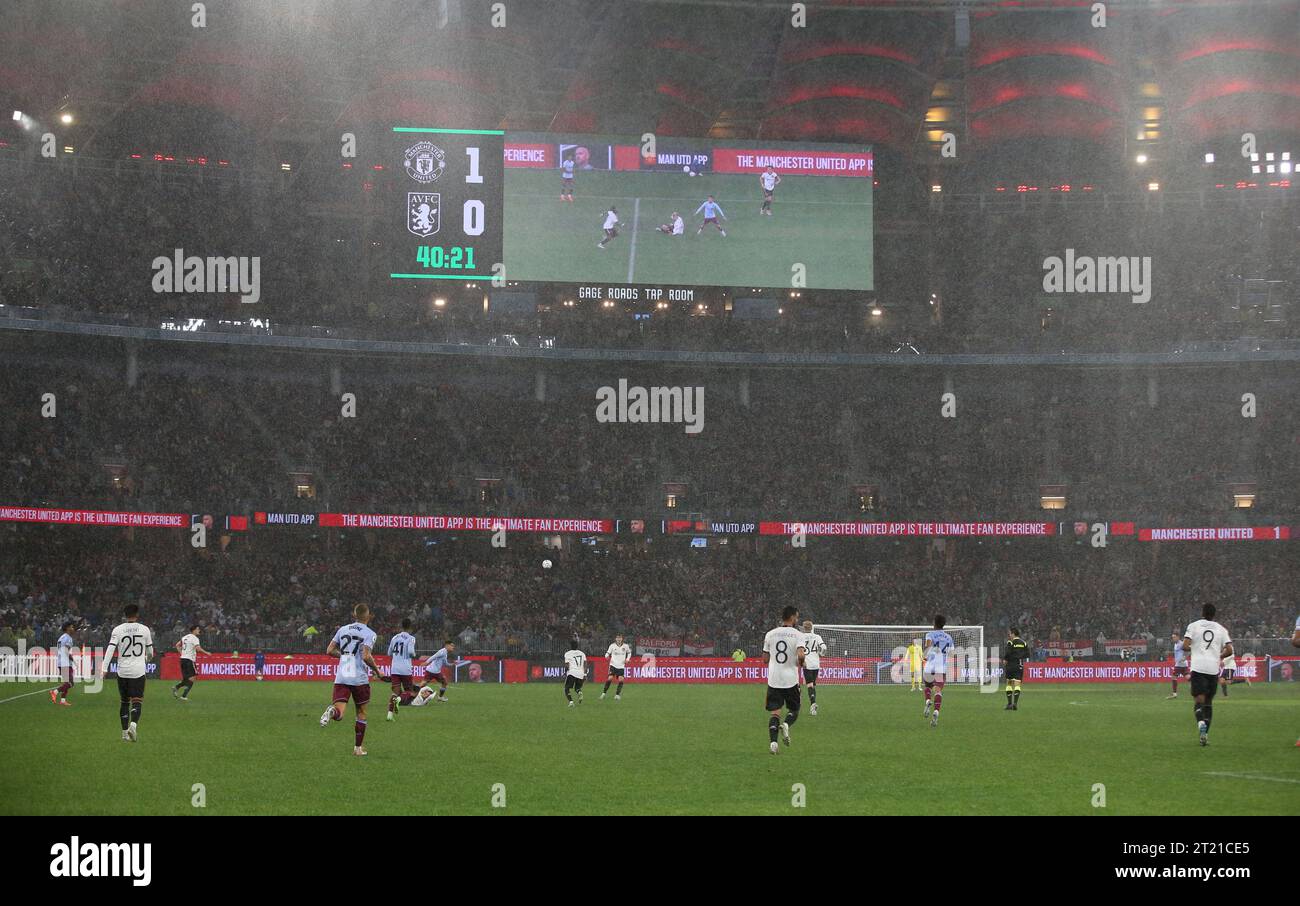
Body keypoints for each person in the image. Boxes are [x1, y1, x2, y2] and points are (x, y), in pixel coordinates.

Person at [319, 603, 387, 757]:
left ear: (354, 615)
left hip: (343, 675)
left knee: (340, 713)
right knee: (361, 713)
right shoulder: (370, 633)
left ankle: (332, 711)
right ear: (368, 616)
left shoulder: (342, 629)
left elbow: (329, 650)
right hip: (359, 679)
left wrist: (344, 655)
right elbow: (365, 656)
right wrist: (377, 670)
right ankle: (357, 748)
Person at [101, 604, 155, 743]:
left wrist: (104, 668)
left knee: (124, 702)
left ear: (125, 615)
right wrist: (146, 659)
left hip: (122, 671)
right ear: (137, 615)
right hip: (138, 670)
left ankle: (124, 733)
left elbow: (110, 649)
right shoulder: (144, 629)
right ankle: (133, 725)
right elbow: (150, 652)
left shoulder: (118, 630)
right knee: (137, 701)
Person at [1182, 603, 1231, 747]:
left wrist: (1196, 648)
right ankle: (1205, 735)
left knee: (1199, 700)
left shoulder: (1194, 626)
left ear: (1202, 612)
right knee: (1208, 702)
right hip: (1212, 669)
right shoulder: (1221, 629)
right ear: (1214, 614)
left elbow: (1185, 646)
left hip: (1198, 667)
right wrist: (1218, 655)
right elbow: (1229, 649)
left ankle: (1201, 723)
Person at [763, 606, 805, 754]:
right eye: (797, 617)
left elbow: (765, 659)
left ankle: (773, 744)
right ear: (792, 617)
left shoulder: (770, 634)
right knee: (794, 709)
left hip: (774, 679)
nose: (797, 620)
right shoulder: (798, 635)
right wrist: (801, 662)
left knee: (775, 712)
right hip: (790, 680)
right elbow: (800, 655)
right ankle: (786, 724)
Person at [922, 615, 954, 728]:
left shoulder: (930, 635)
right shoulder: (949, 638)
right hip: (941, 668)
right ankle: (936, 711)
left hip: (930, 666)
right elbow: (951, 654)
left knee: (927, 686)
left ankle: (927, 701)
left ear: (934, 623)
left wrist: (925, 657)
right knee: (938, 691)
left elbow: (927, 647)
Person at [386, 619, 418, 720]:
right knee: (410, 691)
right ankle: (399, 700)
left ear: (401, 626)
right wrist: (414, 655)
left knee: (395, 692)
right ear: (410, 627)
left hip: (395, 668)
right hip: (405, 668)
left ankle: (389, 715)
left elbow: (389, 653)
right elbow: (411, 652)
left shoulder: (394, 637)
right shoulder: (411, 638)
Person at [172, 625, 209, 701]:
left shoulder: (185, 637)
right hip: (189, 660)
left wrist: (182, 653)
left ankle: (176, 687)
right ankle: (183, 696)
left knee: (186, 679)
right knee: (192, 678)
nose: (199, 630)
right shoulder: (195, 638)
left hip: (183, 659)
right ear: (194, 630)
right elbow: (198, 649)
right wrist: (206, 652)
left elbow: (177, 645)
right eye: (198, 629)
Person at [800, 620, 826, 716]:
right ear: (811, 627)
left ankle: (813, 704)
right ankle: (813, 705)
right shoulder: (817, 637)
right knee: (813, 685)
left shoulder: (801, 637)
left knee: (809, 685)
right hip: (816, 664)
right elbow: (824, 648)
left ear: (804, 627)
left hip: (807, 663)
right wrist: (821, 654)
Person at [1002, 628, 1030, 710]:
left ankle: (1009, 704)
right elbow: (1028, 654)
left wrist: (1005, 659)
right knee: (1017, 684)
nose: (1009, 635)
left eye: (1010, 634)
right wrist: (1020, 656)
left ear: (1014, 634)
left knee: (1009, 684)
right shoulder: (1023, 643)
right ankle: (1015, 704)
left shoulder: (1010, 642)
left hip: (1010, 665)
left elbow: (1008, 652)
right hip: (1019, 665)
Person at [50, 622, 76, 707]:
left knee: (66, 683)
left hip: (61, 662)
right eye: (72, 627)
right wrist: (71, 657)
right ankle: (55, 692)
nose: (73, 629)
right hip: (66, 663)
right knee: (71, 683)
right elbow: (65, 650)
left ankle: (63, 700)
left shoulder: (61, 637)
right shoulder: (68, 638)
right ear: (68, 628)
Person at [601, 634, 631, 700]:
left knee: (621, 680)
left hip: (621, 666)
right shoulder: (612, 646)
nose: (619, 639)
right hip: (613, 665)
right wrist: (606, 656)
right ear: (615, 639)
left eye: (620, 638)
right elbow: (607, 653)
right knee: (610, 678)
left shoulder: (626, 646)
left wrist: (627, 659)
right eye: (617, 638)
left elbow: (629, 653)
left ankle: (617, 695)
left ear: (622, 639)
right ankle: (604, 693)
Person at [1167, 631, 1189, 699]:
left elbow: (1188, 651)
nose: (1173, 638)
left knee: (1173, 677)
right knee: (1188, 677)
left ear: (1178, 637)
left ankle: (1174, 694)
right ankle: (1198, 685)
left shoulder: (1181, 644)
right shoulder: (1176, 644)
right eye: (1172, 637)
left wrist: (1184, 657)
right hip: (1181, 664)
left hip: (1180, 664)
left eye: (1174, 637)